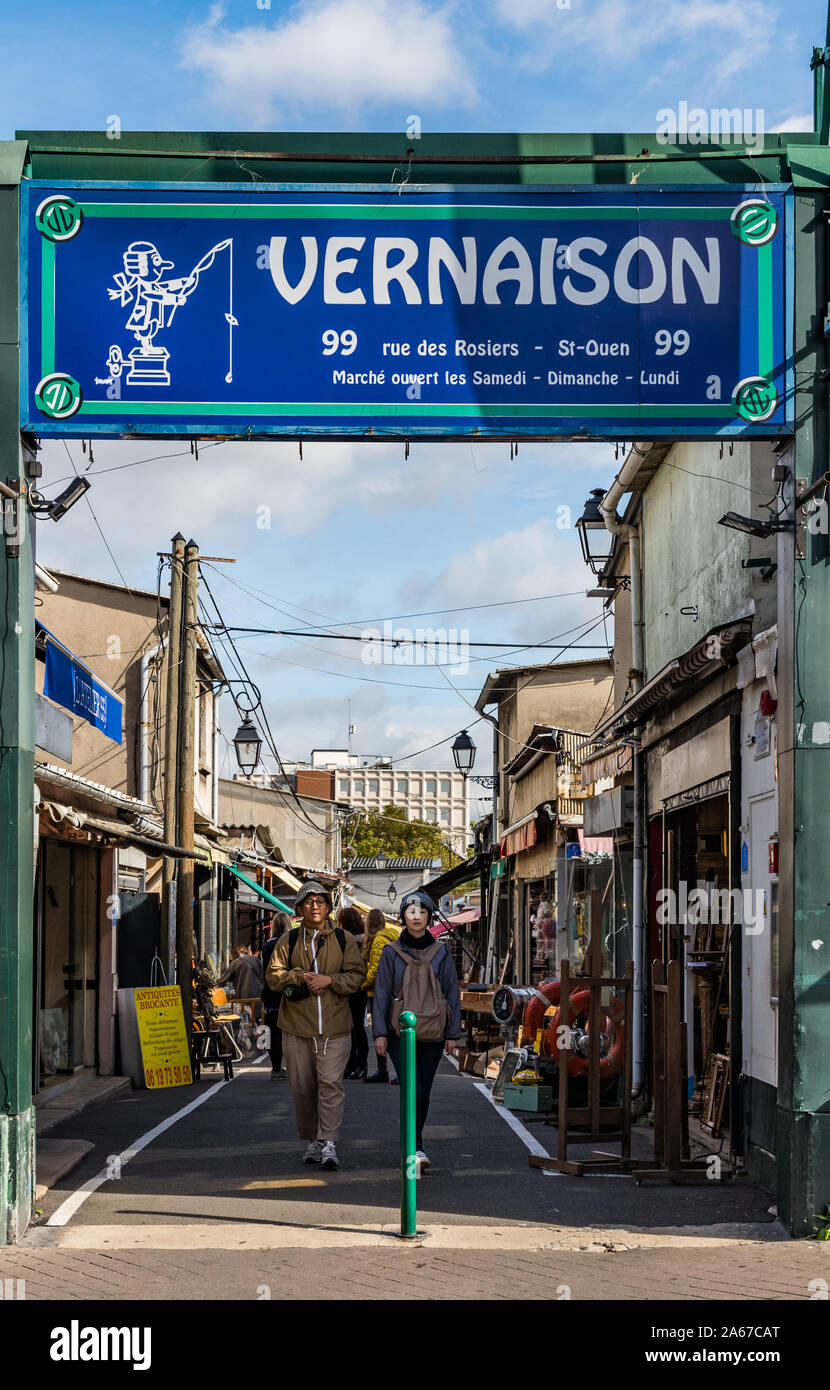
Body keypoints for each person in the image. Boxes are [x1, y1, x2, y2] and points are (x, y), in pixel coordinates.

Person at [265, 881, 366, 1170]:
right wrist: (302, 977)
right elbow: (274, 976)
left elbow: (357, 976)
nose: (315, 906)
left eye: (320, 901)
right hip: (297, 1027)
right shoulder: (289, 940)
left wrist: (329, 981)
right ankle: (312, 1138)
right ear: (299, 908)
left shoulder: (344, 939)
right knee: (302, 1087)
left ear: (328, 907)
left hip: (335, 1027)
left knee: (331, 1084)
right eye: (309, 902)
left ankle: (329, 1141)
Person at [372, 890, 461, 1171]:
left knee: (423, 1091)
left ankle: (415, 1143)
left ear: (429, 916)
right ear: (403, 918)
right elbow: (381, 994)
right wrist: (379, 1033)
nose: (416, 917)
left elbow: (452, 992)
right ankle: (415, 1145)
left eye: (422, 912)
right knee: (413, 1088)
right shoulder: (390, 953)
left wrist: (452, 1034)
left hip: (434, 1032)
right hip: (400, 1033)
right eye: (411, 912)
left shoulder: (442, 952)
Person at [363, 908, 401, 1083]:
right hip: (391, 991)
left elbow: (376, 969)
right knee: (392, 1029)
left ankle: (384, 1070)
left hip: (378, 991)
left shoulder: (378, 941)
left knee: (381, 1030)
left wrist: (362, 984)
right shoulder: (391, 937)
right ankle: (397, 1071)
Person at [338, 906, 369, 1079]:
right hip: (361, 987)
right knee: (358, 1026)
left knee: (349, 1027)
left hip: (347, 986)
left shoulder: (344, 939)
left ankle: (352, 1064)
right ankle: (361, 1064)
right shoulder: (365, 940)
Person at [261, 912, 293, 1077]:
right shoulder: (292, 942)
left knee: (273, 1031)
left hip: (271, 991)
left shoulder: (267, 944)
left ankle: (275, 1068)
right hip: (289, 991)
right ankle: (294, 1067)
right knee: (292, 1031)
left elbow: (264, 970)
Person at [218, 944, 264, 1014]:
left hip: (244, 1002)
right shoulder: (256, 960)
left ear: (234, 954)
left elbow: (222, 981)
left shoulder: (236, 962)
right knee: (257, 1021)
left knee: (245, 1021)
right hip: (259, 1000)